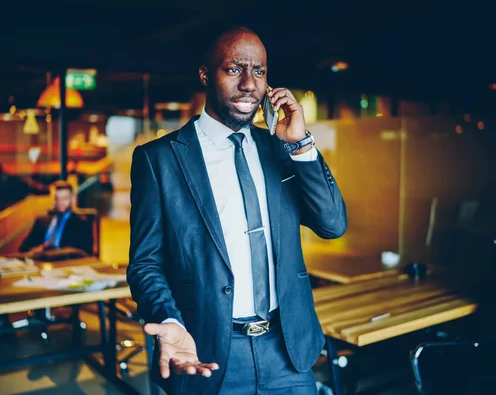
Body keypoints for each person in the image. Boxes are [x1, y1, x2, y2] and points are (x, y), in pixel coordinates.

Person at [128, 26, 347, 394]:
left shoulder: (280, 148)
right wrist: (167, 318)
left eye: (259, 71)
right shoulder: (159, 160)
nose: (249, 83)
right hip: (207, 353)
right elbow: (145, 262)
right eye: (234, 69)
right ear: (205, 75)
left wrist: (302, 146)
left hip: (288, 352)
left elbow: (332, 224)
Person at [19, 180, 92, 255]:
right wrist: (34, 251)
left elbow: (85, 254)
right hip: (40, 262)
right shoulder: (41, 221)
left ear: (72, 199)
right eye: (56, 199)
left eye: (64, 198)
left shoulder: (81, 224)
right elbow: (23, 248)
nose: (60, 202)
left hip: (64, 264)